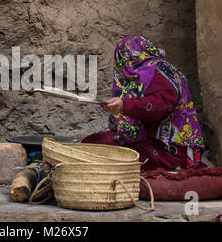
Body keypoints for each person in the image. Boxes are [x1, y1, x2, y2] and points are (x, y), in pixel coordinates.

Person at [82, 36, 207, 172]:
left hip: (169, 152)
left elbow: (163, 105)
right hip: (158, 145)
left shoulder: (157, 72)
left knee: (94, 146)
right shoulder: (154, 71)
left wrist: (124, 105)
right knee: (95, 142)